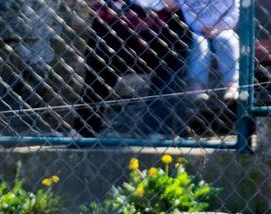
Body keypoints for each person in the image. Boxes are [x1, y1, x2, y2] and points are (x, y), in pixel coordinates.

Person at [74, 0, 191, 137]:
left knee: (173, 62)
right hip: (121, 30)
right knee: (99, 64)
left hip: (163, 31)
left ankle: (158, 131)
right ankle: (84, 130)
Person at [180, 0, 240, 100]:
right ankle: (196, 87)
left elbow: (234, 12)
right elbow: (186, 11)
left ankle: (232, 85)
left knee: (227, 40)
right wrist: (200, 27)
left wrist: (218, 28)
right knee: (199, 43)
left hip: (223, 28)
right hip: (197, 30)